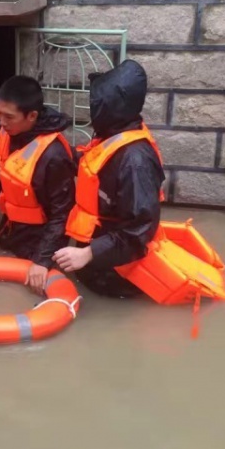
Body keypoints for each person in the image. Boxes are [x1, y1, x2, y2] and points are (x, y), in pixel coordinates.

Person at [53, 60, 165, 298]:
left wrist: (88, 253)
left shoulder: (135, 161)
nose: (91, 109)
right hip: (96, 260)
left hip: (119, 276)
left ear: (110, 107)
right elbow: (94, 163)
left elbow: (139, 230)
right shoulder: (116, 133)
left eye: (95, 103)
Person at [0, 76, 76, 296]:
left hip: (40, 242)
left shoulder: (54, 155)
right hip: (11, 230)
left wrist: (42, 260)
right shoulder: (7, 128)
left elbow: (62, 214)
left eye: (8, 117)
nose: (1, 122)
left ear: (32, 116)